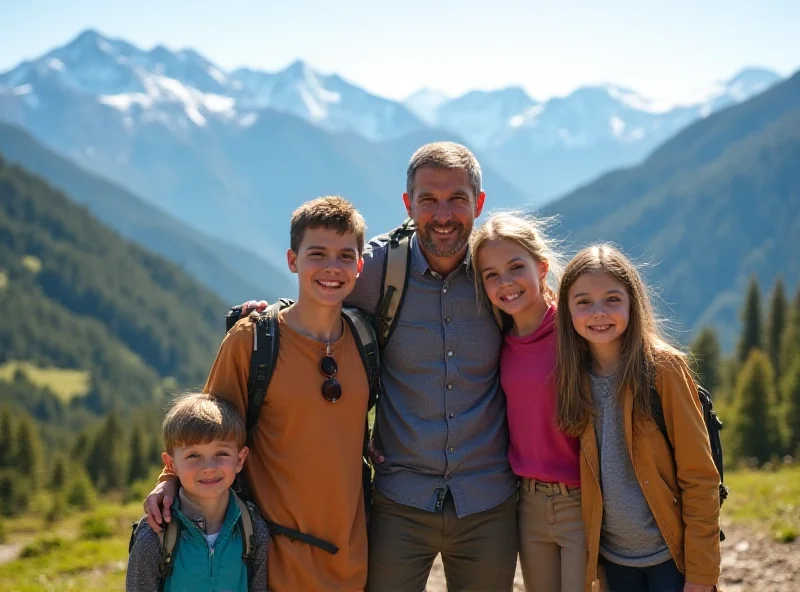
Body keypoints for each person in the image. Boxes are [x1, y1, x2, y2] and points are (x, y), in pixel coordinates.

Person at [236, 142, 518, 591]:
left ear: (479, 203)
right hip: (399, 499)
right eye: (428, 200)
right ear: (408, 204)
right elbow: (322, 291)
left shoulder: (498, 270)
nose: (442, 214)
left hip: (489, 501)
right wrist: (267, 313)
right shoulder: (378, 268)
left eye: (457, 200)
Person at [145, 196, 373, 591]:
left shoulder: (365, 339)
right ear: (291, 259)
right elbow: (206, 428)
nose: (332, 268)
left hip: (352, 560)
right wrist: (168, 479)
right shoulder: (252, 341)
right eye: (316, 253)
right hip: (272, 561)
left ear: (359, 265)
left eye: (344, 256)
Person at [555, 244, 721, 592]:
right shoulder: (573, 377)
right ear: (567, 311)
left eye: (612, 299)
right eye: (583, 301)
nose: (598, 312)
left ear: (633, 302)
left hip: (670, 559)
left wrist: (702, 575)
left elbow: (700, 477)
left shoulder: (663, 369)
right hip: (613, 562)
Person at [470, 212, 586, 592]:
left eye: (516, 267)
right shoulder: (499, 343)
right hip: (529, 504)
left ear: (542, 267)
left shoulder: (575, 334)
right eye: (491, 274)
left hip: (582, 500)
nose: (505, 283)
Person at [127, 393, 269, 592]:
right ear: (171, 464)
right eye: (194, 455)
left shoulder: (252, 528)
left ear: (240, 459)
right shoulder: (155, 535)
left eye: (221, 453)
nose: (209, 467)